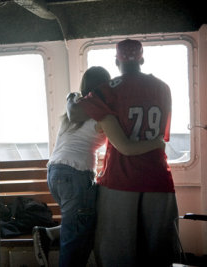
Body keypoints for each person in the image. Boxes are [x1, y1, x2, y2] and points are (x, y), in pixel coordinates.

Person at [33, 66, 166, 267]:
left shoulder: (73, 110)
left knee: (86, 221)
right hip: (76, 175)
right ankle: (50, 236)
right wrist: (157, 143)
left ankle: (48, 233)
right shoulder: (102, 115)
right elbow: (127, 148)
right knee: (76, 243)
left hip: (55, 173)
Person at [67, 39, 179, 266]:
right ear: (142, 60)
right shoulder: (163, 88)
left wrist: (70, 99)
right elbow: (161, 137)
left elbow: (76, 114)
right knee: (161, 252)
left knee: (117, 253)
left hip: (119, 179)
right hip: (158, 177)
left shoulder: (109, 89)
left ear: (116, 62)